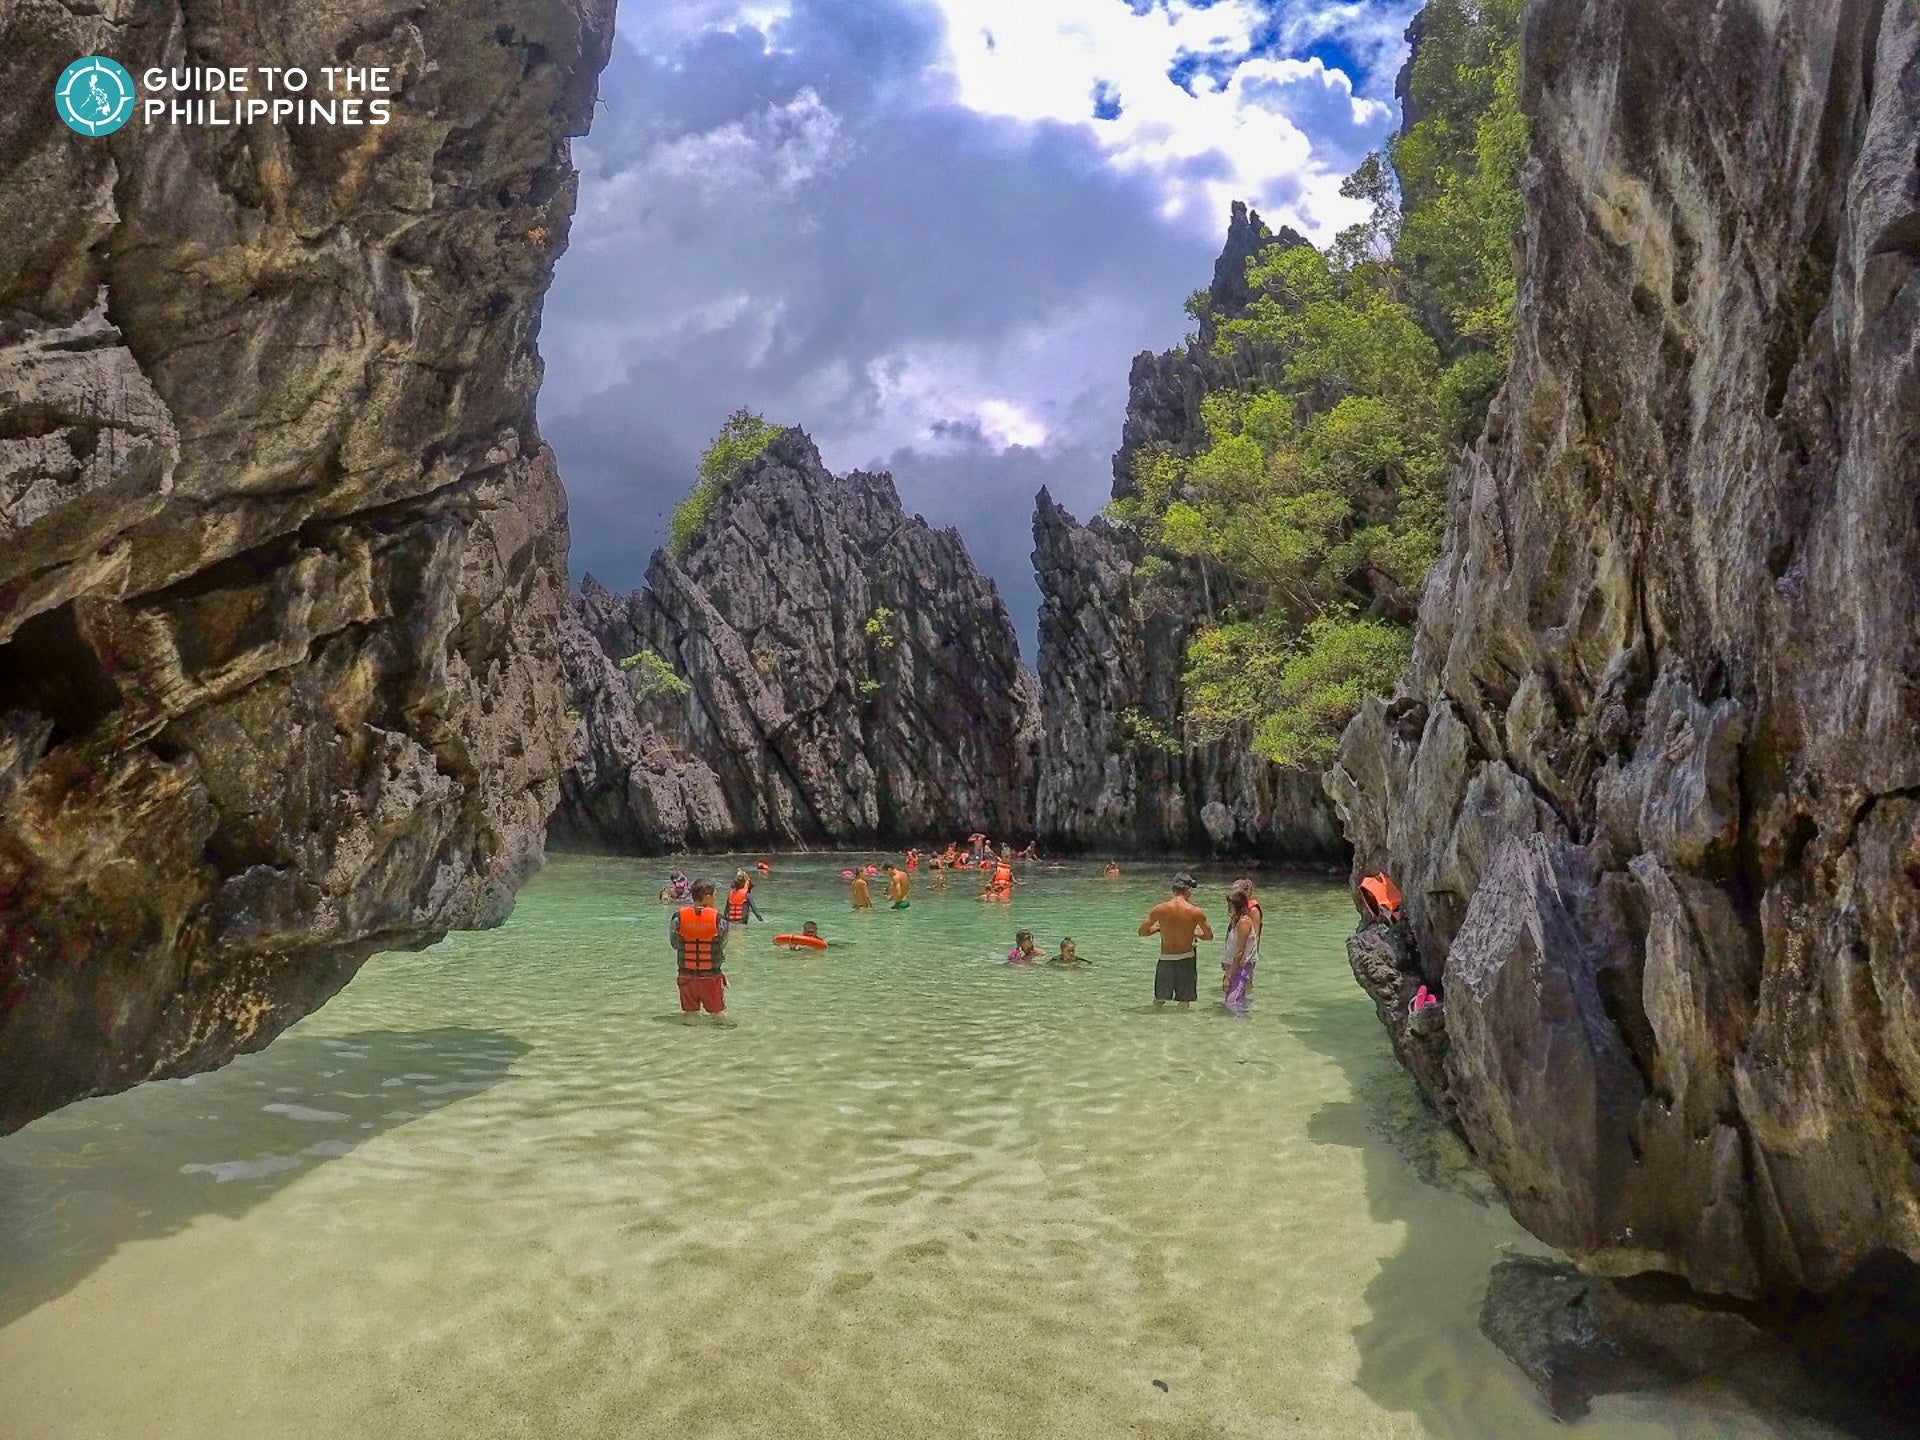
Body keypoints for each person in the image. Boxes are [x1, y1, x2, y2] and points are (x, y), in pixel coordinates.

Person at [1138, 872, 1212, 1010]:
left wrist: (1158, 929)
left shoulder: (1160, 909)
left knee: (1159, 999)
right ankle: (1182, 1030)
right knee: (1184, 1002)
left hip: (1165, 959)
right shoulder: (1195, 911)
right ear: (1187, 889)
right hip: (1186, 960)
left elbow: (1142, 932)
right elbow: (1209, 936)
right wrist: (1194, 932)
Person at [670, 879, 734, 1026]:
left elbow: (674, 944)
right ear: (707, 897)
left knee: (690, 1016)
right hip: (710, 977)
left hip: (686, 976)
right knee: (718, 1017)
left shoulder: (678, 917)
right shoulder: (719, 919)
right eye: (714, 895)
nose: (716, 898)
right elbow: (722, 945)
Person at [1221, 878, 1263, 1015]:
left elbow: (1240, 951)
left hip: (1240, 967)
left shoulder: (1244, 922)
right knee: (1238, 1001)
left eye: (1230, 904)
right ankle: (1242, 1028)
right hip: (1236, 967)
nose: (1228, 907)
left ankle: (1239, 1029)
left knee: (1231, 1004)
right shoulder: (1237, 920)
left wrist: (1228, 975)